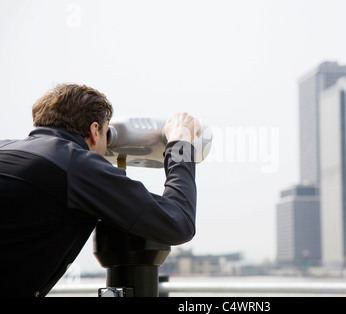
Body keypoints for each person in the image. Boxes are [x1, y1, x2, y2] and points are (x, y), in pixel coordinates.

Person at [0, 83, 201, 297]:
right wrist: (180, 143)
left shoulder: (5, 149)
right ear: (95, 131)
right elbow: (178, 222)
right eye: (107, 134)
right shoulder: (76, 165)